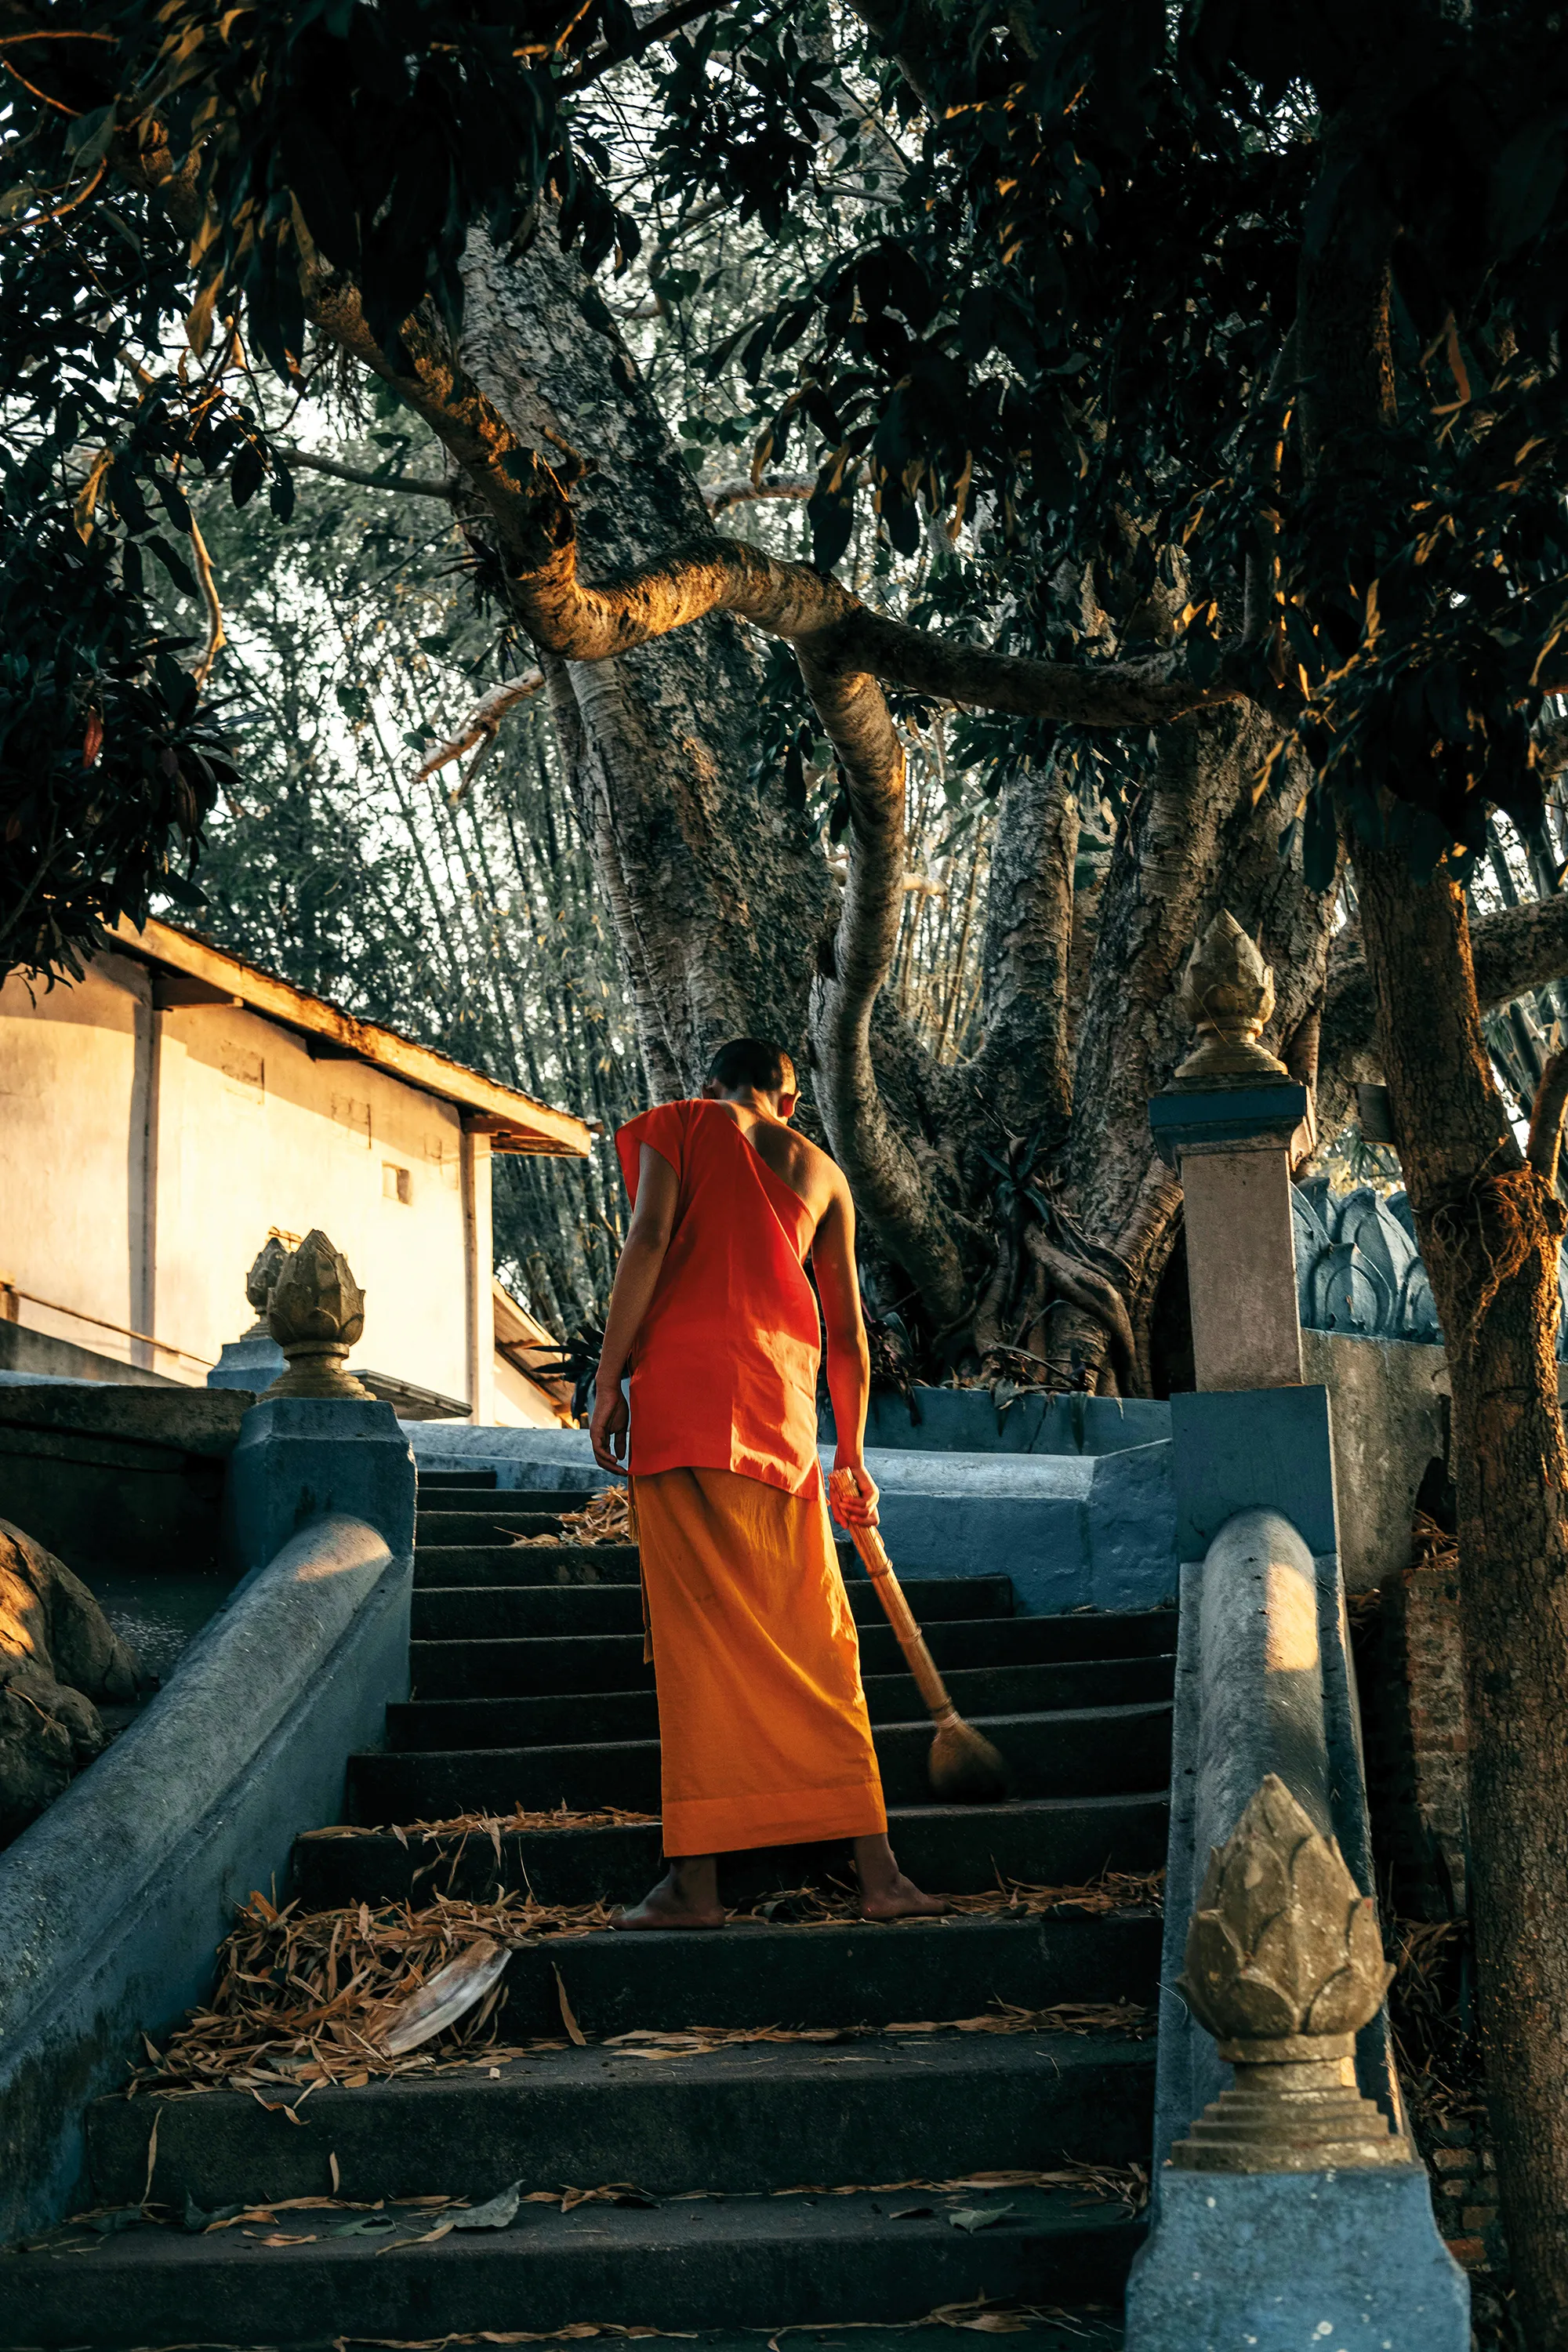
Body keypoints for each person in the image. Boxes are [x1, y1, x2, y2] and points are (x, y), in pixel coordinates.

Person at [590, 1037, 943, 1929]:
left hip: (681, 1405)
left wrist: (603, 1382)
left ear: (712, 1086)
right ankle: (880, 1875)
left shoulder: (687, 1122)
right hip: (780, 1420)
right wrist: (851, 1454)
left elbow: (649, 1238)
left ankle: (695, 1886)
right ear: (788, 1101)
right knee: (817, 1640)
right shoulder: (824, 1174)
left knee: (697, 1645)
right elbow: (850, 1335)